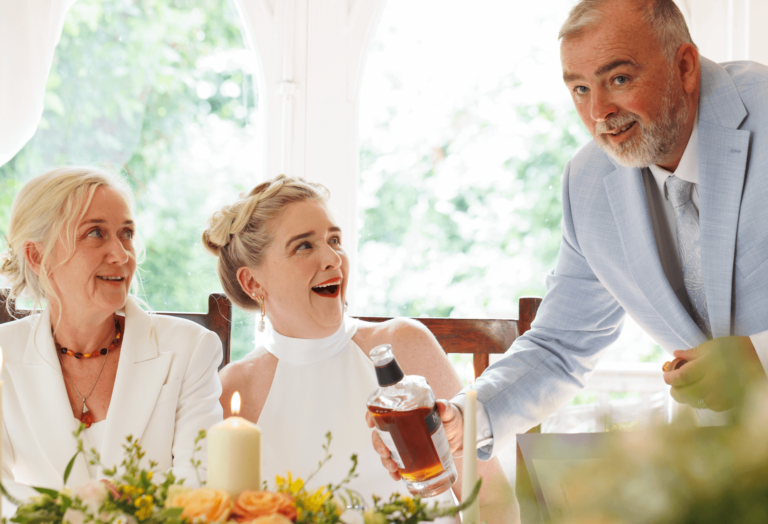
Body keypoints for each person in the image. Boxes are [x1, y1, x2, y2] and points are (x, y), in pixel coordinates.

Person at [370, 0, 768, 475]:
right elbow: (560, 346)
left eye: (619, 79)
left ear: (683, 66)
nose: (600, 111)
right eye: (580, 89)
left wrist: (759, 357)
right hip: (715, 475)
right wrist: (463, 419)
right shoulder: (587, 183)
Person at [204, 175, 514, 523]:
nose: (333, 259)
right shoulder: (232, 390)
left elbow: (492, 500)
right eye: (304, 246)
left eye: (334, 240)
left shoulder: (404, 345)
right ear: (252, 282)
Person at [0, 166, 223, 499]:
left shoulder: (191, 349)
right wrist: (82, 508)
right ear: (38, 256)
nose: (122, 255)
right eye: (95, 233)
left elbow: (199, 479)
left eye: (127, 233)